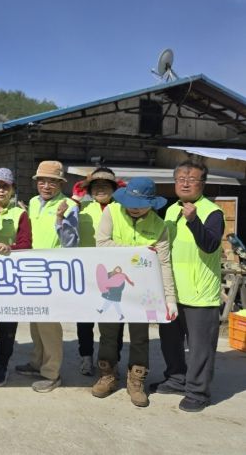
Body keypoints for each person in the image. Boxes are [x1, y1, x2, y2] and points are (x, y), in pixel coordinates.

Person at [92, 177, 177, 408]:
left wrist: (170, 299)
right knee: (108, 333)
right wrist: (139, 252)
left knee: (140, 336)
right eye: (130, 202)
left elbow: (164, 263)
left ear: (152, 203)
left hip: (143, 289)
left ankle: (137, 379)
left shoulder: (159, 226)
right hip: (112, 283)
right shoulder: (111, 212)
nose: (134, 208)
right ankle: (107, 374)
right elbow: (102, 244)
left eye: (141, 204)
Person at [154, 161, 225, 412]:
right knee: (170, 341)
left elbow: (210, 245)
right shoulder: (171, 210)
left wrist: (193, 221)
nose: (185, 183)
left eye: (192, 179)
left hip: (199, 293)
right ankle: (176, 379)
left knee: (199, 348)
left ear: (202, 184)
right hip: (172, 291)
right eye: (181, 179)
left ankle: (198, 392)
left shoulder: (212, 212)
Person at [15, 161, 79, 393]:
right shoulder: (33, 202)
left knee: (49, 324)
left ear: (60, 184)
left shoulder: (69, 205)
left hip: (53, 273)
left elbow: (71, 243)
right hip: (33, 270)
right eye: (42, 181)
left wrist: (60, 219)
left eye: (52, 182)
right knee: (35, 321)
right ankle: (37, 362)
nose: (46, 186)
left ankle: (51, 373)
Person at [0, 168, 32, 387]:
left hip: (9, 277)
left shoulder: (20, 214)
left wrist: (10, 248)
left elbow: (26, 243)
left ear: (12, 190)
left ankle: (2, 364)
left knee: (7, 324)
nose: (1, 191)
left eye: (5, 187)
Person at [75, 168, 124, 376]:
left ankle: (111, 360)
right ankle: (86, 357)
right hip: (87, 271)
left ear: (114, 188)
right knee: (84, 319)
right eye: (95, 186)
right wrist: (78, 195)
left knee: (114, 320)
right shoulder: (82, 208)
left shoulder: (123, 209)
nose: (100, 189)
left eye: (106, 185)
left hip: (114, 272)